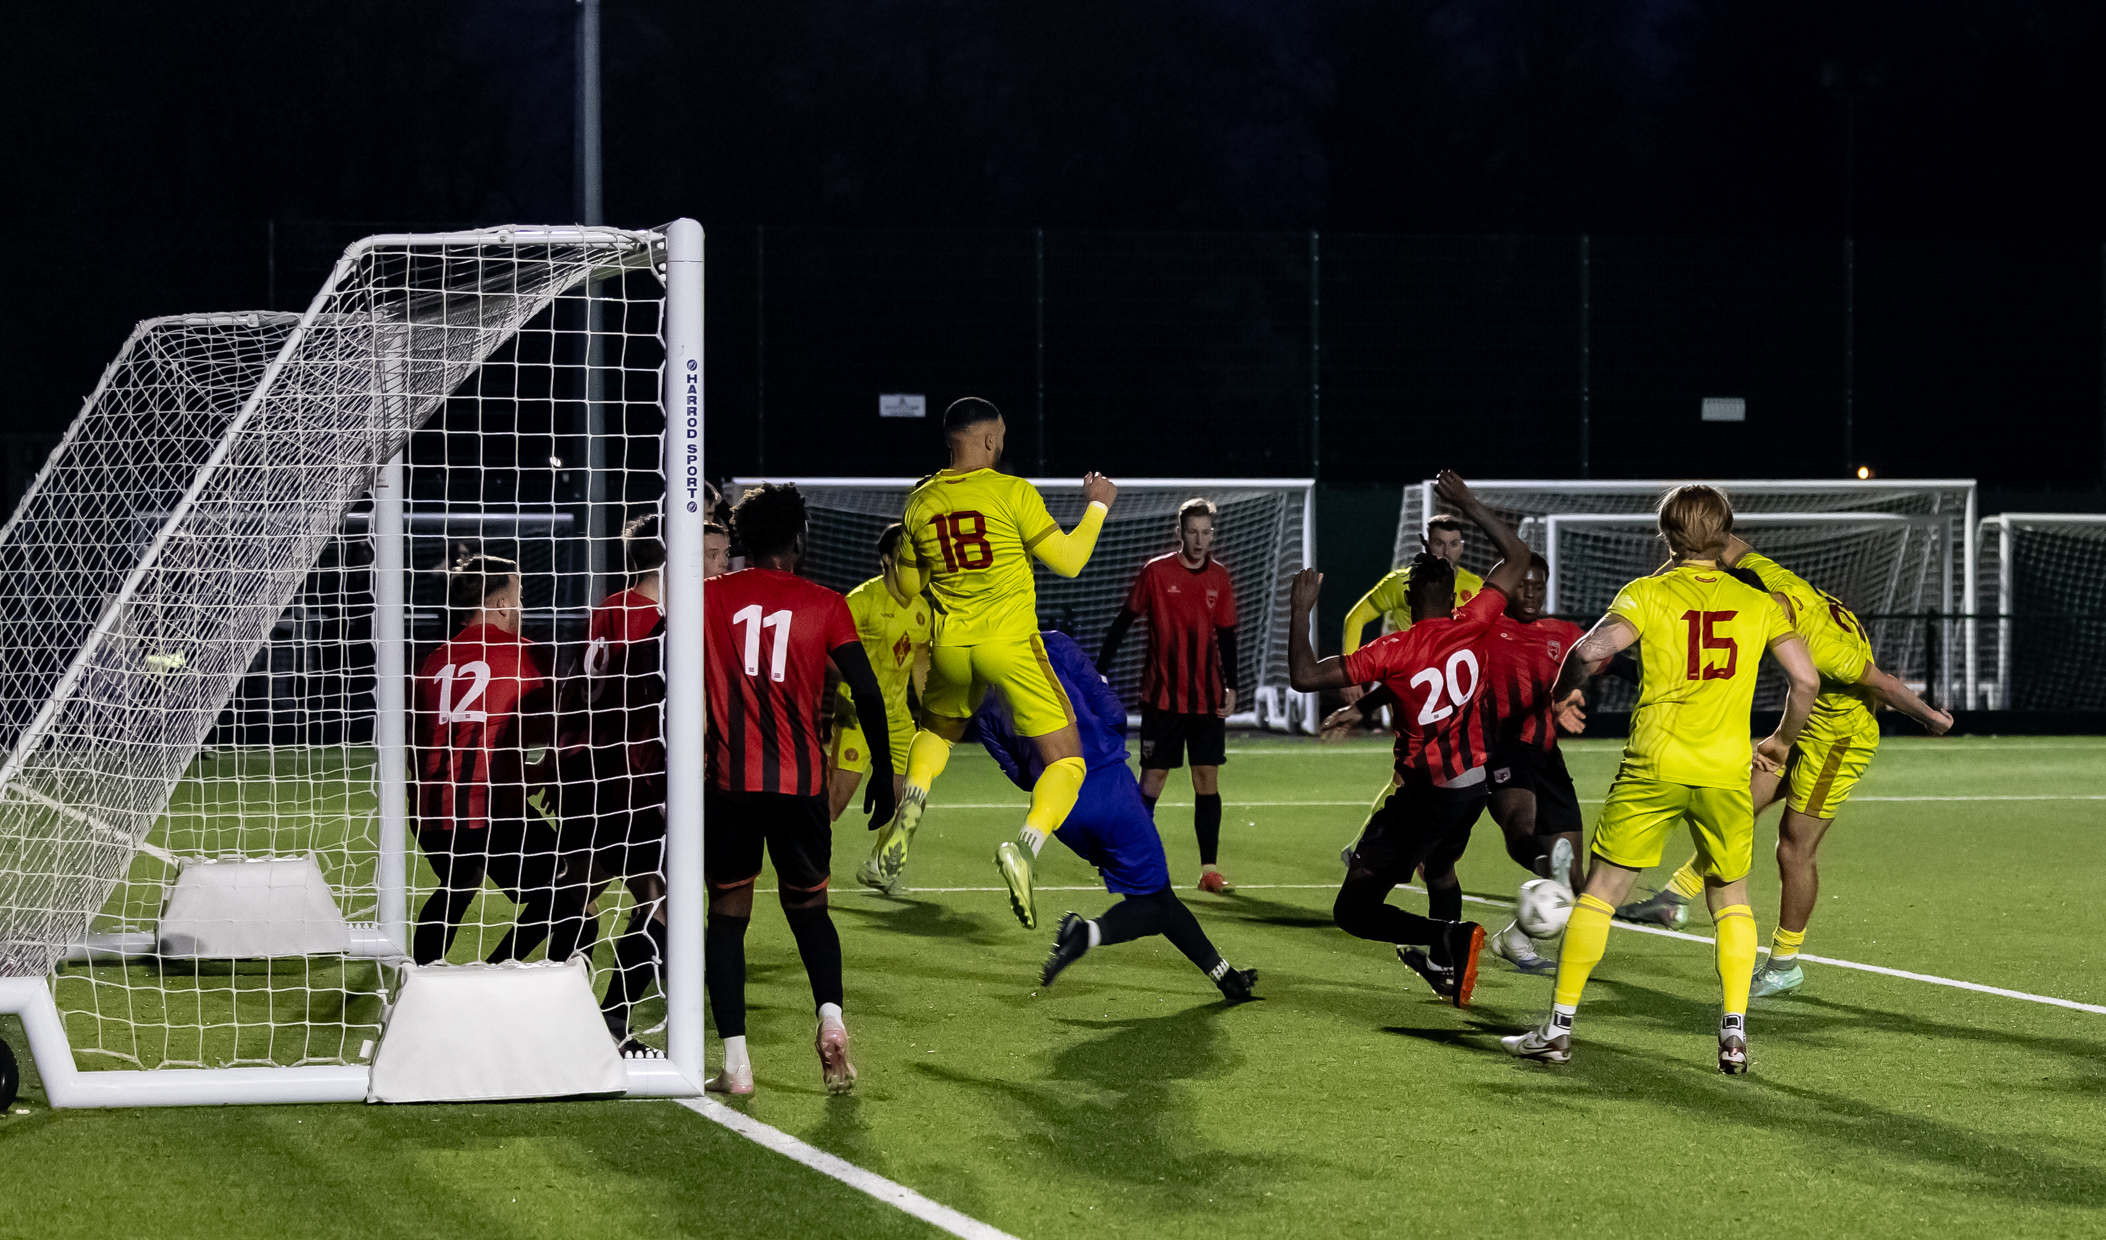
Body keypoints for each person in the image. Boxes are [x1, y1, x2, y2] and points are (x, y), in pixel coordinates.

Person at [1502, 486, 1819, 1075]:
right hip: (1724, 770)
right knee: (1731, 898)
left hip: (1654, 764)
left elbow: (1590, 650)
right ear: (1726, 534)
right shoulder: (1759, 602)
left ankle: (1558, 1030)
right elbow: (1806, 682)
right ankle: (1733, 1035)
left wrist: (1562, 691)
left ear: (1667, 535)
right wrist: (1779, 742)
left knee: (1601, 893)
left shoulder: (1647, 593)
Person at [1615, 534, 1954, 998]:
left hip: (1836, 743)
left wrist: (1933, 720)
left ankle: (1784, 963)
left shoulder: (1823, 645)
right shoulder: (1770, 578)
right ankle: (1673, 900)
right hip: (1802, 724)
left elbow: (1887, 686)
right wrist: (1678, 555)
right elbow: (1718, 538)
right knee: (1736, 807)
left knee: (1793, 849)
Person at [863, 397, 1117, 929]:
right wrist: (1097, 506)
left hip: (951, 649)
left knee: (936, 732)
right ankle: (1025, 847)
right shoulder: (1012, 491)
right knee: (1067, 761)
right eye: (999, 434)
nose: (1002, 441)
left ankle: (912, 807)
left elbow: (906, 586)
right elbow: (1069, 562)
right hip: (1009, 645)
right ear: (986, 439)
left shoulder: (921, 502)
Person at [1287, 471, 1532, 1009]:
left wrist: (1300, 607)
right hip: (1473, 785)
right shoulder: (1474, 621)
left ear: (1408, 595)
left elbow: (1304, 676)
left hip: (1426, 795)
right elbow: (1517, 556)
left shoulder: (1394, 649)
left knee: (1354, 910)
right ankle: (1446, 969)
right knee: (1440, 870)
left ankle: (1449, 940)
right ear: (1452, 592)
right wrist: (1468, 502)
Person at [702, 483, 900, 1096]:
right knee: (810, 913)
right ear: (797, 538)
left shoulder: (709, 596)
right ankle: (831, 1018)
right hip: (802, 785)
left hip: (731, 784)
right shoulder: (826, 604)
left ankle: (736, 1065)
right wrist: (884, 771)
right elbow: (867, 690)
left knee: (728, 918)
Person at [1324, 554, 1588, 977]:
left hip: (1480, 772)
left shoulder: (1556, 632)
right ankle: (1447, 959)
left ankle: (1469, 940)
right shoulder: (1480, 625)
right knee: (1466, 856)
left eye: (1539, 585)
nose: (1530, 592)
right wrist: (1364, 707)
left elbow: (1594, 659)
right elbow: (1415, 670)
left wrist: (1570, 691)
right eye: (1523, 583)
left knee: (1364, 904)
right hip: (1489, 763)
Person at [976, 630, 1257, 1002]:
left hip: (1062, 813)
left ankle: (1226, 978)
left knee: (1155, 897)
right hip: (1107, 786)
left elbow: (1018, 773)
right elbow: (1110, 708)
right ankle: (1085, 933)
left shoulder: (979, 692)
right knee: (1154, 904)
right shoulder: (1051, 644)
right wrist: (1106, 747)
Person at [411, 554, 591, 968]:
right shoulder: (525, 655)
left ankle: (420, 978)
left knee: (458, 884)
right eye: (520, 597)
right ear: (501, 605)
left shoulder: (434, 660)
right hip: (492, 812)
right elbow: (557, 728)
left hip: (431, 814)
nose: (522, 607)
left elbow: (416, 742)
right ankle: (500, 971)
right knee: (575, 897)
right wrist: (548, 770)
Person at [1095, 497, 1241, 893]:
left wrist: (1232, 685)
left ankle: (1209, 871)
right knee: (1153, 780)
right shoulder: (1156, 572)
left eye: (1206, 532)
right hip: (1162, 699)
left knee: (1206, 779)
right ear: (1180, 533)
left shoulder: (1219, 577)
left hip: (1207, 700)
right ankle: (1129, 860)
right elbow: (1124, 620)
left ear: (1212, 535)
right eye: (1192, 532)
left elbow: (1227, 635)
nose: (1199, 539)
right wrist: (1100, 669)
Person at [833, 525, 933, 889]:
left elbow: (920, 662)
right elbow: (829, 651)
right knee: (837, 798)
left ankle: (879, 864)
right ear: (887, 560)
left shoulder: (923, 609)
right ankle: (804, 861)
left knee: (910, 795)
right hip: (857, 711)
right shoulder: (862, 601)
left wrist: (932, 711)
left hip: (898, 717)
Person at [1338, 513, 1484, 704]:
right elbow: (1356, 617)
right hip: (1403, 677)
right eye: (1439, 543)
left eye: (1454, 544)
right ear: (1427, 545)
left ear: (1462, 547)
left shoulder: (1475, 586)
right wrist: (1349, 674)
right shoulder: (1401, 582)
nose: (1447, 552)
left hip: (1450, 679)